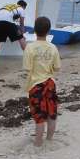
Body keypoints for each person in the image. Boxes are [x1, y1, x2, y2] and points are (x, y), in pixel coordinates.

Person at [23, 16, 61, 147]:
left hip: (35, 85)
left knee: (39, 117)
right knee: (51, 114)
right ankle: (49, 139)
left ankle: (38, 143)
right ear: (49, 31)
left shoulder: (30, 48)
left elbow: (27, 68)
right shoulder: (53, 47)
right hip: (50, 83)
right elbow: (57, 67)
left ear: (34, 30)